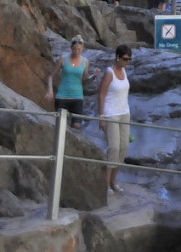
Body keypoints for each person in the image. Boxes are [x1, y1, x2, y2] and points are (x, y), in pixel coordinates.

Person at [97, 44, 132, 193]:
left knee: (123, 148)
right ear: (117, 57)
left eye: (129, 59)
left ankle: (113, 181)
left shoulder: (124, 70)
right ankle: (105, 185)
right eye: (125, 59)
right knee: (113, 148)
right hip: (111, 113)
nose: (127, 62)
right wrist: (101, 117)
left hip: (124, 112)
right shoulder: (109, 72)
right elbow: (101, 94)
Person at [45, 35, 94, 129]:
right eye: (75, 49)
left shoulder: (85, 62)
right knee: (61, 126)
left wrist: (94, 77)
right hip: (62, 96)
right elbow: (51, 76)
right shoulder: (63, 59)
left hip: (77, 97)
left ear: (82, 48)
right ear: (71, 48)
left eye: (79, 49)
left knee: (77, 125)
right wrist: (50, 91)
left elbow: (84, 79)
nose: (77, 52)